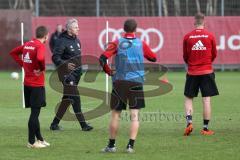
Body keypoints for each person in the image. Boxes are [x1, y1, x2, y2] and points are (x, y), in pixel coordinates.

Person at [99, 19, 157, 153]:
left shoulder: (117, 42)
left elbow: (102, 58)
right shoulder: (141, 43)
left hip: (120, 83)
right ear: (135, 29)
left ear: (123, 29)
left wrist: (108, 71)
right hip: (136, 82)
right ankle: (130, 146)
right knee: (135, 115)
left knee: (115, 115)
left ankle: (111, 146)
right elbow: (154, 58)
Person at [9, 26, 50, 148]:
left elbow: (13, 53)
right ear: (46, 36)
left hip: (27, 84)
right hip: (36, 85)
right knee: (35, 114)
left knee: (34, 112)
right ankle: (31, 142)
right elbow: (40, 58)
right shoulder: (40, 46)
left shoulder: (27, 44)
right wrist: (42, 69)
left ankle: (40, 139)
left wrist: (23, 65)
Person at [50, 18, 93, 131]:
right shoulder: (61, 41)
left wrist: (80, 69)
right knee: (75, 97)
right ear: (69, 29)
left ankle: (54, 124)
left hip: (76, 74)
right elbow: (55, 57)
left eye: (78, 27)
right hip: (66, 74)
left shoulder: (77, 40)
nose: (78, 28)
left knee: (67, 99)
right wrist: (65, 64)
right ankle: (83, 125)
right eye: (75, 27)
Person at [183, 13, 219, 136]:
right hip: (207, 71)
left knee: (188, 98)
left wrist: (192, 63)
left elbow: (185, 56)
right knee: (206, 100)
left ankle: (189, 123)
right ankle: (205, 128)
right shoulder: (210, 36)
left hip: (192, 71)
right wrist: (207, 63)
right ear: (204, 22)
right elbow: (214, 54)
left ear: (194, 22)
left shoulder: (187, 37)